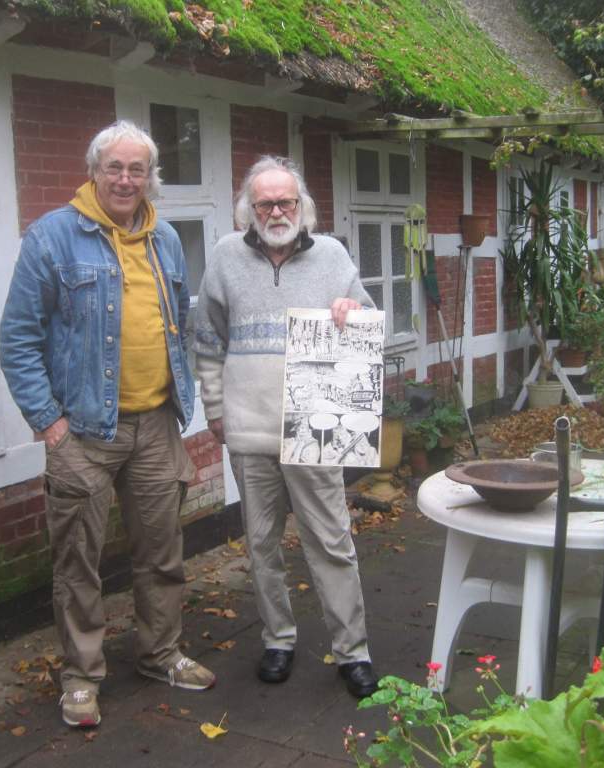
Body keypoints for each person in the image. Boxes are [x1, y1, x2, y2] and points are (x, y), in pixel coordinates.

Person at [0, 120, 215, 729]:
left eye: (137, 169)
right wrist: (49, 424)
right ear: (94, 171)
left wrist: (185, 405)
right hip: (84, 435)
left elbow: (180, 324)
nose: (125, 179)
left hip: (156, 426)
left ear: (150, 177)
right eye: (114, 168)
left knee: (162, 554)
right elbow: (17, 339)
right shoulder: (52, 238)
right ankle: (81, 678)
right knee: (78, 565)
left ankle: (160, 653)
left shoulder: (164, 238)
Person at [194, 156, 379, 698]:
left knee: (332, 540)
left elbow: (368, 327)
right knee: (260, 543)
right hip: (250, 430)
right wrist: (214, 410)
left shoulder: (333, 256)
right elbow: (208, 341)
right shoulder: (226, 258)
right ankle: (278, 639)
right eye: (265, 203)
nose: (277, 211)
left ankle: (353, 651)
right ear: (248, 211)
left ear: (303, 207)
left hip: (316, 428)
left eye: (286, 202)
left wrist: (352, 308)